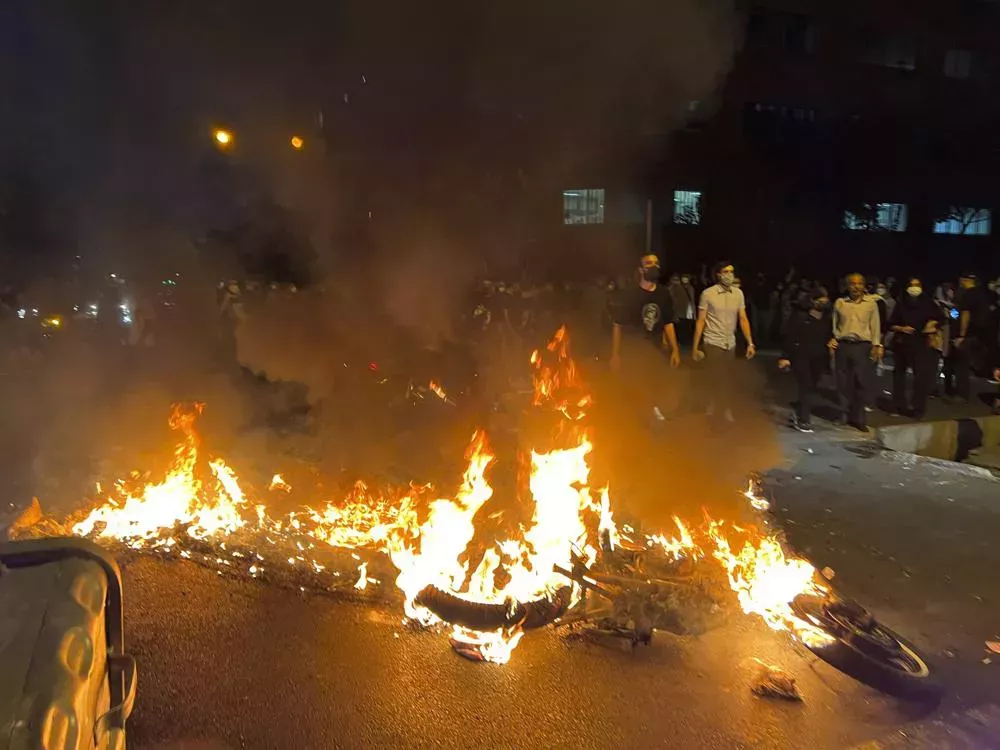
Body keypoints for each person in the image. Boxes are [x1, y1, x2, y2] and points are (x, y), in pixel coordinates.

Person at [610, 254, 681, 423]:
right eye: (649, 263)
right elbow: (617, 325)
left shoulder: (664, 294)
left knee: (655, 380)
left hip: (656, 347)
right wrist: (615, 354)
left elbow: (668, 323)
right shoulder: (630, 294)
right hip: (634, 348)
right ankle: (635, 420)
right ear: (641, 269)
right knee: (636, 384)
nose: (654, 266)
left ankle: (652, 412)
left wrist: (675, 350)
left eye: (656, 263)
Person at [692, 261, 756, 423]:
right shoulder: (708, 294)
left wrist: (750, 343)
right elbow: (700, 321)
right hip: (713, 341)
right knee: (718, 376)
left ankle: (722, 407)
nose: (729, 275)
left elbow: (743, 318)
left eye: (731, 271)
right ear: (718, 275)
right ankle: (716, 408)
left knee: (727, 377)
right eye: (726, 272)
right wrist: (695, 347)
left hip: (730, 342)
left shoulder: (738, 294)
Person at [830, 273, 883, 431]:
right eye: (852, 284)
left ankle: (859, 418)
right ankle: (844, 415)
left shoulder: (871, 304)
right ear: (847, 286)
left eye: (859, 283)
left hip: (862, 346)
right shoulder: (840, 303)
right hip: (843, 345)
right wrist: (834, 339)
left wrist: (876, 345)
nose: (856, 287)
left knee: (861, 382)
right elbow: (834, 324)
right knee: (843, 382)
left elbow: (875, 326)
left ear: (864, 285)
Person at [778, 286, 832, 432]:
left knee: (812, 386)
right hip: (801, 356)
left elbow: (828, 335)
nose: (825, 302)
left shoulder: (827, 317)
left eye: (826, 299)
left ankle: (798, 412)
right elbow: (790, 336)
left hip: (819, 357)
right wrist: (785, 357)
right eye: (821, 299)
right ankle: (803, 420)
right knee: (805, 386)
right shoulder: (800, 315)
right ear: (813, 300)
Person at [887, 277, 941, 419]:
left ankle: (918, 408)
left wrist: (931, 326)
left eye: (918, 285)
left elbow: (941, 318)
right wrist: (901, 328)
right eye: (912, 285)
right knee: (899, 376)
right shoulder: (901, 303)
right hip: (901, 343)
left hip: (921, 343)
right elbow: (890, 324)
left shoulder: (928, 303)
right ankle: (899, 404)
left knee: (921, 377)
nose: (915, 287)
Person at [945, 272, 990, 403]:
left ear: (965, 280)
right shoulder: (983, 294)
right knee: (963, 364)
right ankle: (959, 391)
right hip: (979, 334)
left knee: (960, 365)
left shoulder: (967, 294)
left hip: (967, 335)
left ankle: (961, 394)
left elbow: (964, 314)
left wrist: (961, 335)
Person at [667, 272, 697, 345]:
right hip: (679, 314)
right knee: (679, 331)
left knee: (686, 331)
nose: (685, 278)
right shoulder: (676, 287)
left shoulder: (691, 288)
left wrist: (694, 314)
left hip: (688, 314)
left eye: (687, 277)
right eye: (683, 277)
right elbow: (672, 301)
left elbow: (692, 301)